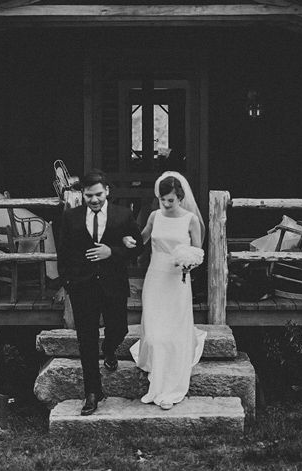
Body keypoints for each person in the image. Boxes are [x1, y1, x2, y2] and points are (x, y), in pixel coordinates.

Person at [57, 169, 141, 415]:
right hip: (82, 287)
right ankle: (92, 392)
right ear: (82, 194)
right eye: (89, 195)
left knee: (119, 328)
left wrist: (113, 252)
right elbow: (63, 252)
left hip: (113, 285)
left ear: (107, 192)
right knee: (86, 341)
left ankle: (110, 349)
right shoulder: (71, 217)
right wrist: (68, 283)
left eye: (98, 195)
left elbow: (138, 248)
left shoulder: (123, 215)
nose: (94, 200)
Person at [126, 171, 207, 410]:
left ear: (180, 197)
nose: (167, 205)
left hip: (177, 280)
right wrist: (130, 243)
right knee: (153, 331)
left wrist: (188, 262)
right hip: (155, 277)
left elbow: (198, 252)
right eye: (163, 200)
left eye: (171, 200)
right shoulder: (154, 216)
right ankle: (155, 380)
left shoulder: (191, 220)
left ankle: (169, 385)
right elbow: (141, 241)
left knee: (172, 331)